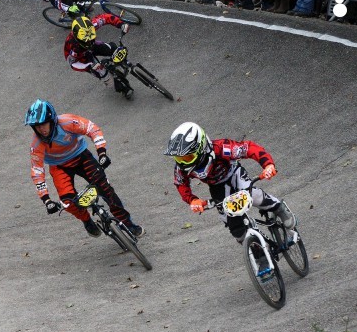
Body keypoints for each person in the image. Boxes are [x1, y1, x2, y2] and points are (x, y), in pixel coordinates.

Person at [163, 122, 295, 249]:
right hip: (217, 187)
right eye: (179, 158)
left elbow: (249, 148)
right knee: (235, 228)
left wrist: (268, 165)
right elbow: (181, 184)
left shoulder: (222, 148)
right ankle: (259, 256)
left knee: (253, 196)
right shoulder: (181, 168)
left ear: (201, 148)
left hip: (234, 174)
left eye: (187, 157)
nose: (182, 162)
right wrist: (192, 200)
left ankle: (279, 208)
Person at [25, 99, 144, 238]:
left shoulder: (68, 122)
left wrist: (102, 153)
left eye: (43, 124)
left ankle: (128, 224)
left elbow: (92, 129)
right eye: (36, 126)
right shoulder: (36, 144)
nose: (41, 129)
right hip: (59, 168)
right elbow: (37, 171)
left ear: (52, 120)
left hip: (82, 157)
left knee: (105, 189)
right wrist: (46, 200)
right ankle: (86, 221)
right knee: (68, 203)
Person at [65, 15, 133, 99]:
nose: (89, 41)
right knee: (103, 73)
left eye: (91, 38)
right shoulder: (72, 46)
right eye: (87, 40)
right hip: (82, 57)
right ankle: (123, 89)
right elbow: (73, 64)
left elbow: (106, 18)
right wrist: (89, 66)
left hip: (94, 46)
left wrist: (121, 24)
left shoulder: (92, 26)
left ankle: (123, 63)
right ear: (77, 37)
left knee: (113, 48)